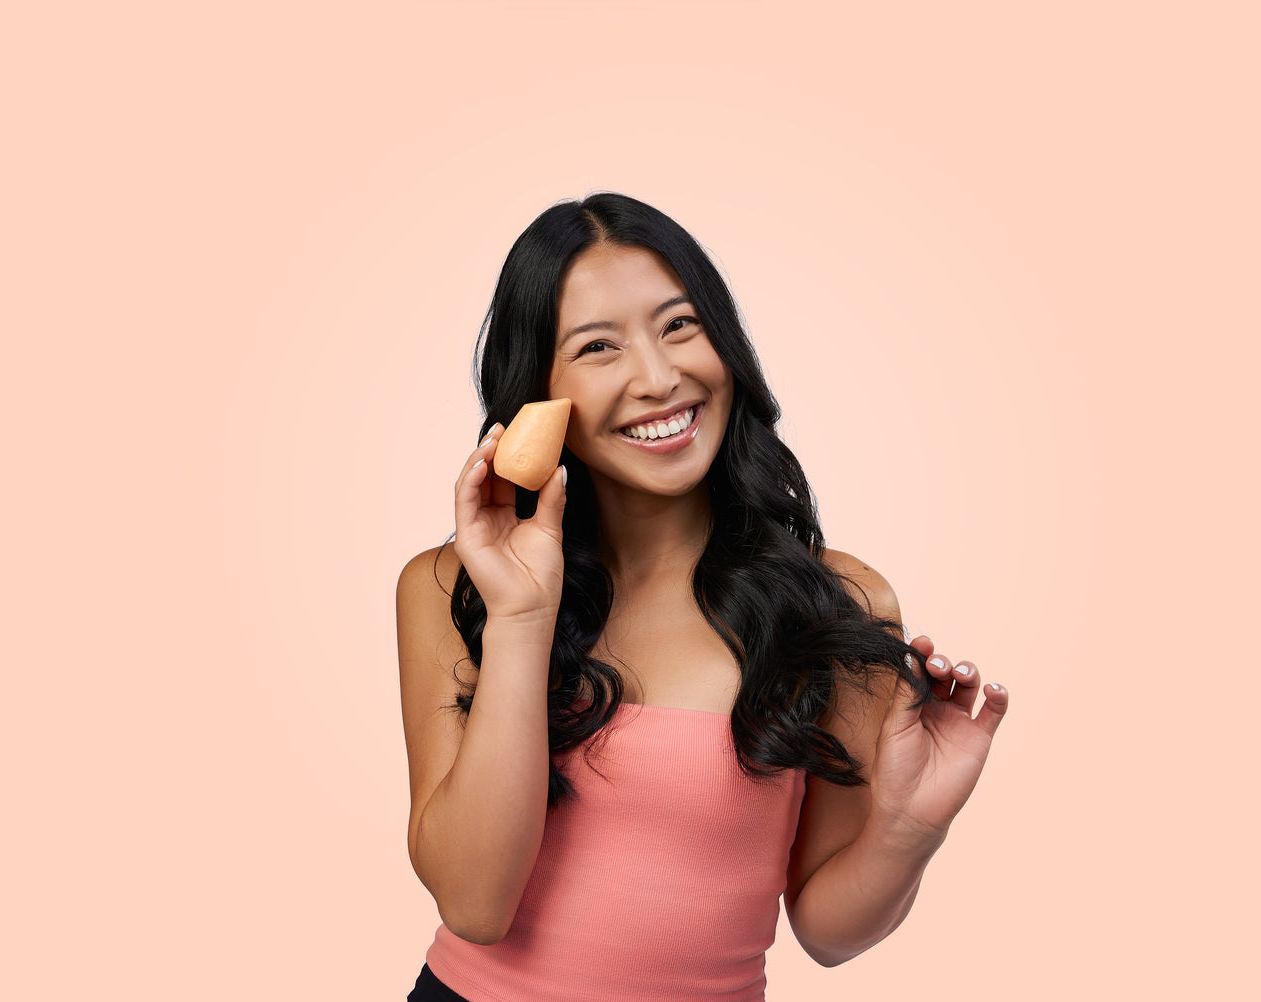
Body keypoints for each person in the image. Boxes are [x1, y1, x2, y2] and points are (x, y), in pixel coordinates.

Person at [395, 192, 1008, 1001]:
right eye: (598, 347)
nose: (659, 376)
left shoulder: (838, 602)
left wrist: (908, 827)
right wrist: (519, 617)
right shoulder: (450, 591)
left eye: (680, 325)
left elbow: (826, 930)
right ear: (539, 394)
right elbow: (474, 906)